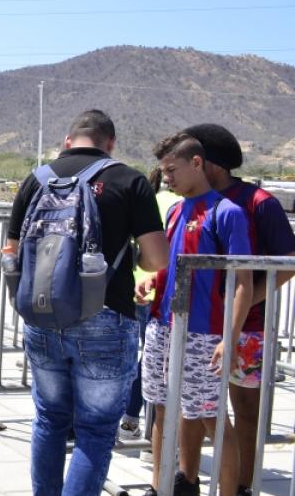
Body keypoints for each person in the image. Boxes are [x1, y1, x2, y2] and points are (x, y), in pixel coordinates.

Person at [6, 109, 169, 496]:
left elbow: (10, 251)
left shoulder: (36, 180)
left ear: (68, 141)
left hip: (42, 317)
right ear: (109, 143)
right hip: (105, 317)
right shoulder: (129, 180)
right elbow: (157, 258)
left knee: (49, 420)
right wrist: (129, 258)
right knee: (95, 431)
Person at [178, 123, 294, 495]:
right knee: (195, 405)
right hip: (199, 324)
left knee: (244, 407)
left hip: (250, 327)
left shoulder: (259, 202)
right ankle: (187, 478)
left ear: (209, 162)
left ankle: (242, 484)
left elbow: (288, 262)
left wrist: (246, 302)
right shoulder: (192, 202)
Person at [136, 132, 253, 496]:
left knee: (211, 418)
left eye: (172, 170)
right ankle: (159, 487)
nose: (166, 178)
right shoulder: (174, 209)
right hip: (161, 326)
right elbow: (176, 263)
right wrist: (153, 280)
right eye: (163, 171)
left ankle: (228, 490)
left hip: (203, 333)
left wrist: (229, 339)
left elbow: (242, 283)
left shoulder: (227, 213)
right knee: (158, 408)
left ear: (197, 164)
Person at [119, 167, 181, 443]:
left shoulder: (152, 199)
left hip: (139, 287)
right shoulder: (180, 203)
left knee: (146, 360)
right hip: (165, 290)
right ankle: (152, 433)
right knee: (161, 365)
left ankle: (132, 421)